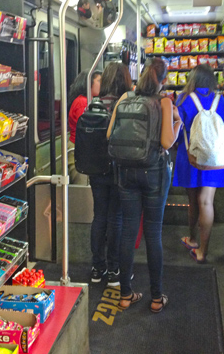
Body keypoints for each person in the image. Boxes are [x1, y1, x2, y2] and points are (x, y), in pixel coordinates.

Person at [107, 57, 182, 313]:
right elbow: (166, 143)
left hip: (125, 172)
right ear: (164, 80)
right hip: (153, 173)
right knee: (153, 233)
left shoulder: (125, 98)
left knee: (128, 231)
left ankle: (126, 295)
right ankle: (156, 297)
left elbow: (110, 135)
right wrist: (177, 122)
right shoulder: (163, 102)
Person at [174, 64, 224, 264]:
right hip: (215, 157)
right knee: (206, 201)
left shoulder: (183, 99)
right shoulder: (221, 100)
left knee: (192, 201)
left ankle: (193, 239)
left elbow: (177, 129)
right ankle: (202, 252)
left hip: (190, 156)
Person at [89, 62, 133, 286]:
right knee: (116, 218)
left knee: (99, 217)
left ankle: (97, 269)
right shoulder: (127, 105)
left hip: (96, 169)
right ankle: (114, 270)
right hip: (118, 168)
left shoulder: (93, 105)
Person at [68, 70, 101, 185]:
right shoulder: (83, 102)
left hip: (82, 148)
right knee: (81, 187)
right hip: (80, 150)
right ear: (88, 83)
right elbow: (87, 129)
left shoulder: (88, 100)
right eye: (99, 81)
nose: (102, 84)